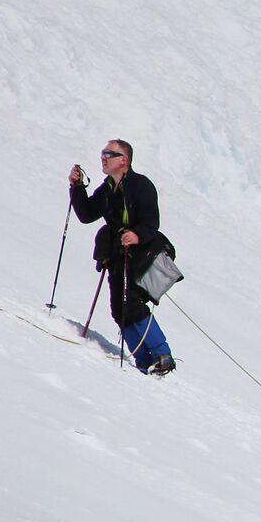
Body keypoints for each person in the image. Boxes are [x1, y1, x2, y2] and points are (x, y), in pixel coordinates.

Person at [68, 139, 176, 376]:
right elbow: (86, 214)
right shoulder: (108, 187)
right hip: (118, 254)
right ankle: (143, 359)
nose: (104, 157)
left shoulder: (141, 185)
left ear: (124, 160)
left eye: (110, 153)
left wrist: (135, 235)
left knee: (133, 303)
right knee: (119, 308)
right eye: (103, 153)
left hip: (141, 253)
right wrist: (76, 188)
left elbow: (151, 223)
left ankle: (162, 355)